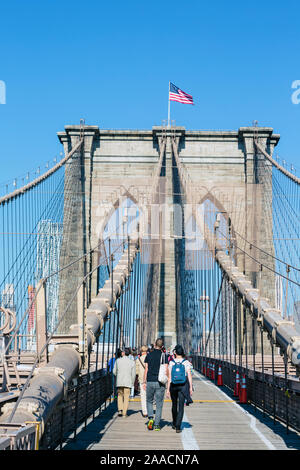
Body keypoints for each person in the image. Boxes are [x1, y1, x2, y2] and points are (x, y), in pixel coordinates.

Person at [166, 344, 193, 433]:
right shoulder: (186, 362)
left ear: (175, 353)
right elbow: (189, 375)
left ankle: (174, 423)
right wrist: (191, 388)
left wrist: (167, 389)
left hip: (173, 385)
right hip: (183, 386)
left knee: (174, 404)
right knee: (181, 406)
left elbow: (169, 377)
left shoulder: (171, 362)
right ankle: (178, 426)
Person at [143, 338, 168, 431]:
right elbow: (166, 369)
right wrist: (168, 384)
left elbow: (146, 369)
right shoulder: (164, 356)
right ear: (162, 346)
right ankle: (157, 425)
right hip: (160, 382)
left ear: (154, 344)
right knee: (159, 403)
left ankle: (150, 418)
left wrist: (144, 381)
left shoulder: (149, 355)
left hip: (149, 381)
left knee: (149, 401)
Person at [113, 347, 136, 418]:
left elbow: (114, 372)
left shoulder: (117, 361)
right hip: (128, 382)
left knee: (119, 396)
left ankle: (120, 409)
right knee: (126, 397)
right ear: (129, 354)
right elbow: (133, 374)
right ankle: (124, 413)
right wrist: (132, 383)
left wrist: (118, 376)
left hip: (119, 382)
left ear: (123, 353)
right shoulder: (132, 362)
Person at [136, 345, 148, 417]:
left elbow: (136, 371)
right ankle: (149, 409)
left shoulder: (138, 359)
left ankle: (144, 411)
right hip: (149, 379)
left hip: (141, 379)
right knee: (149, 395)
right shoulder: (150, 358)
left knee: (143, 395)